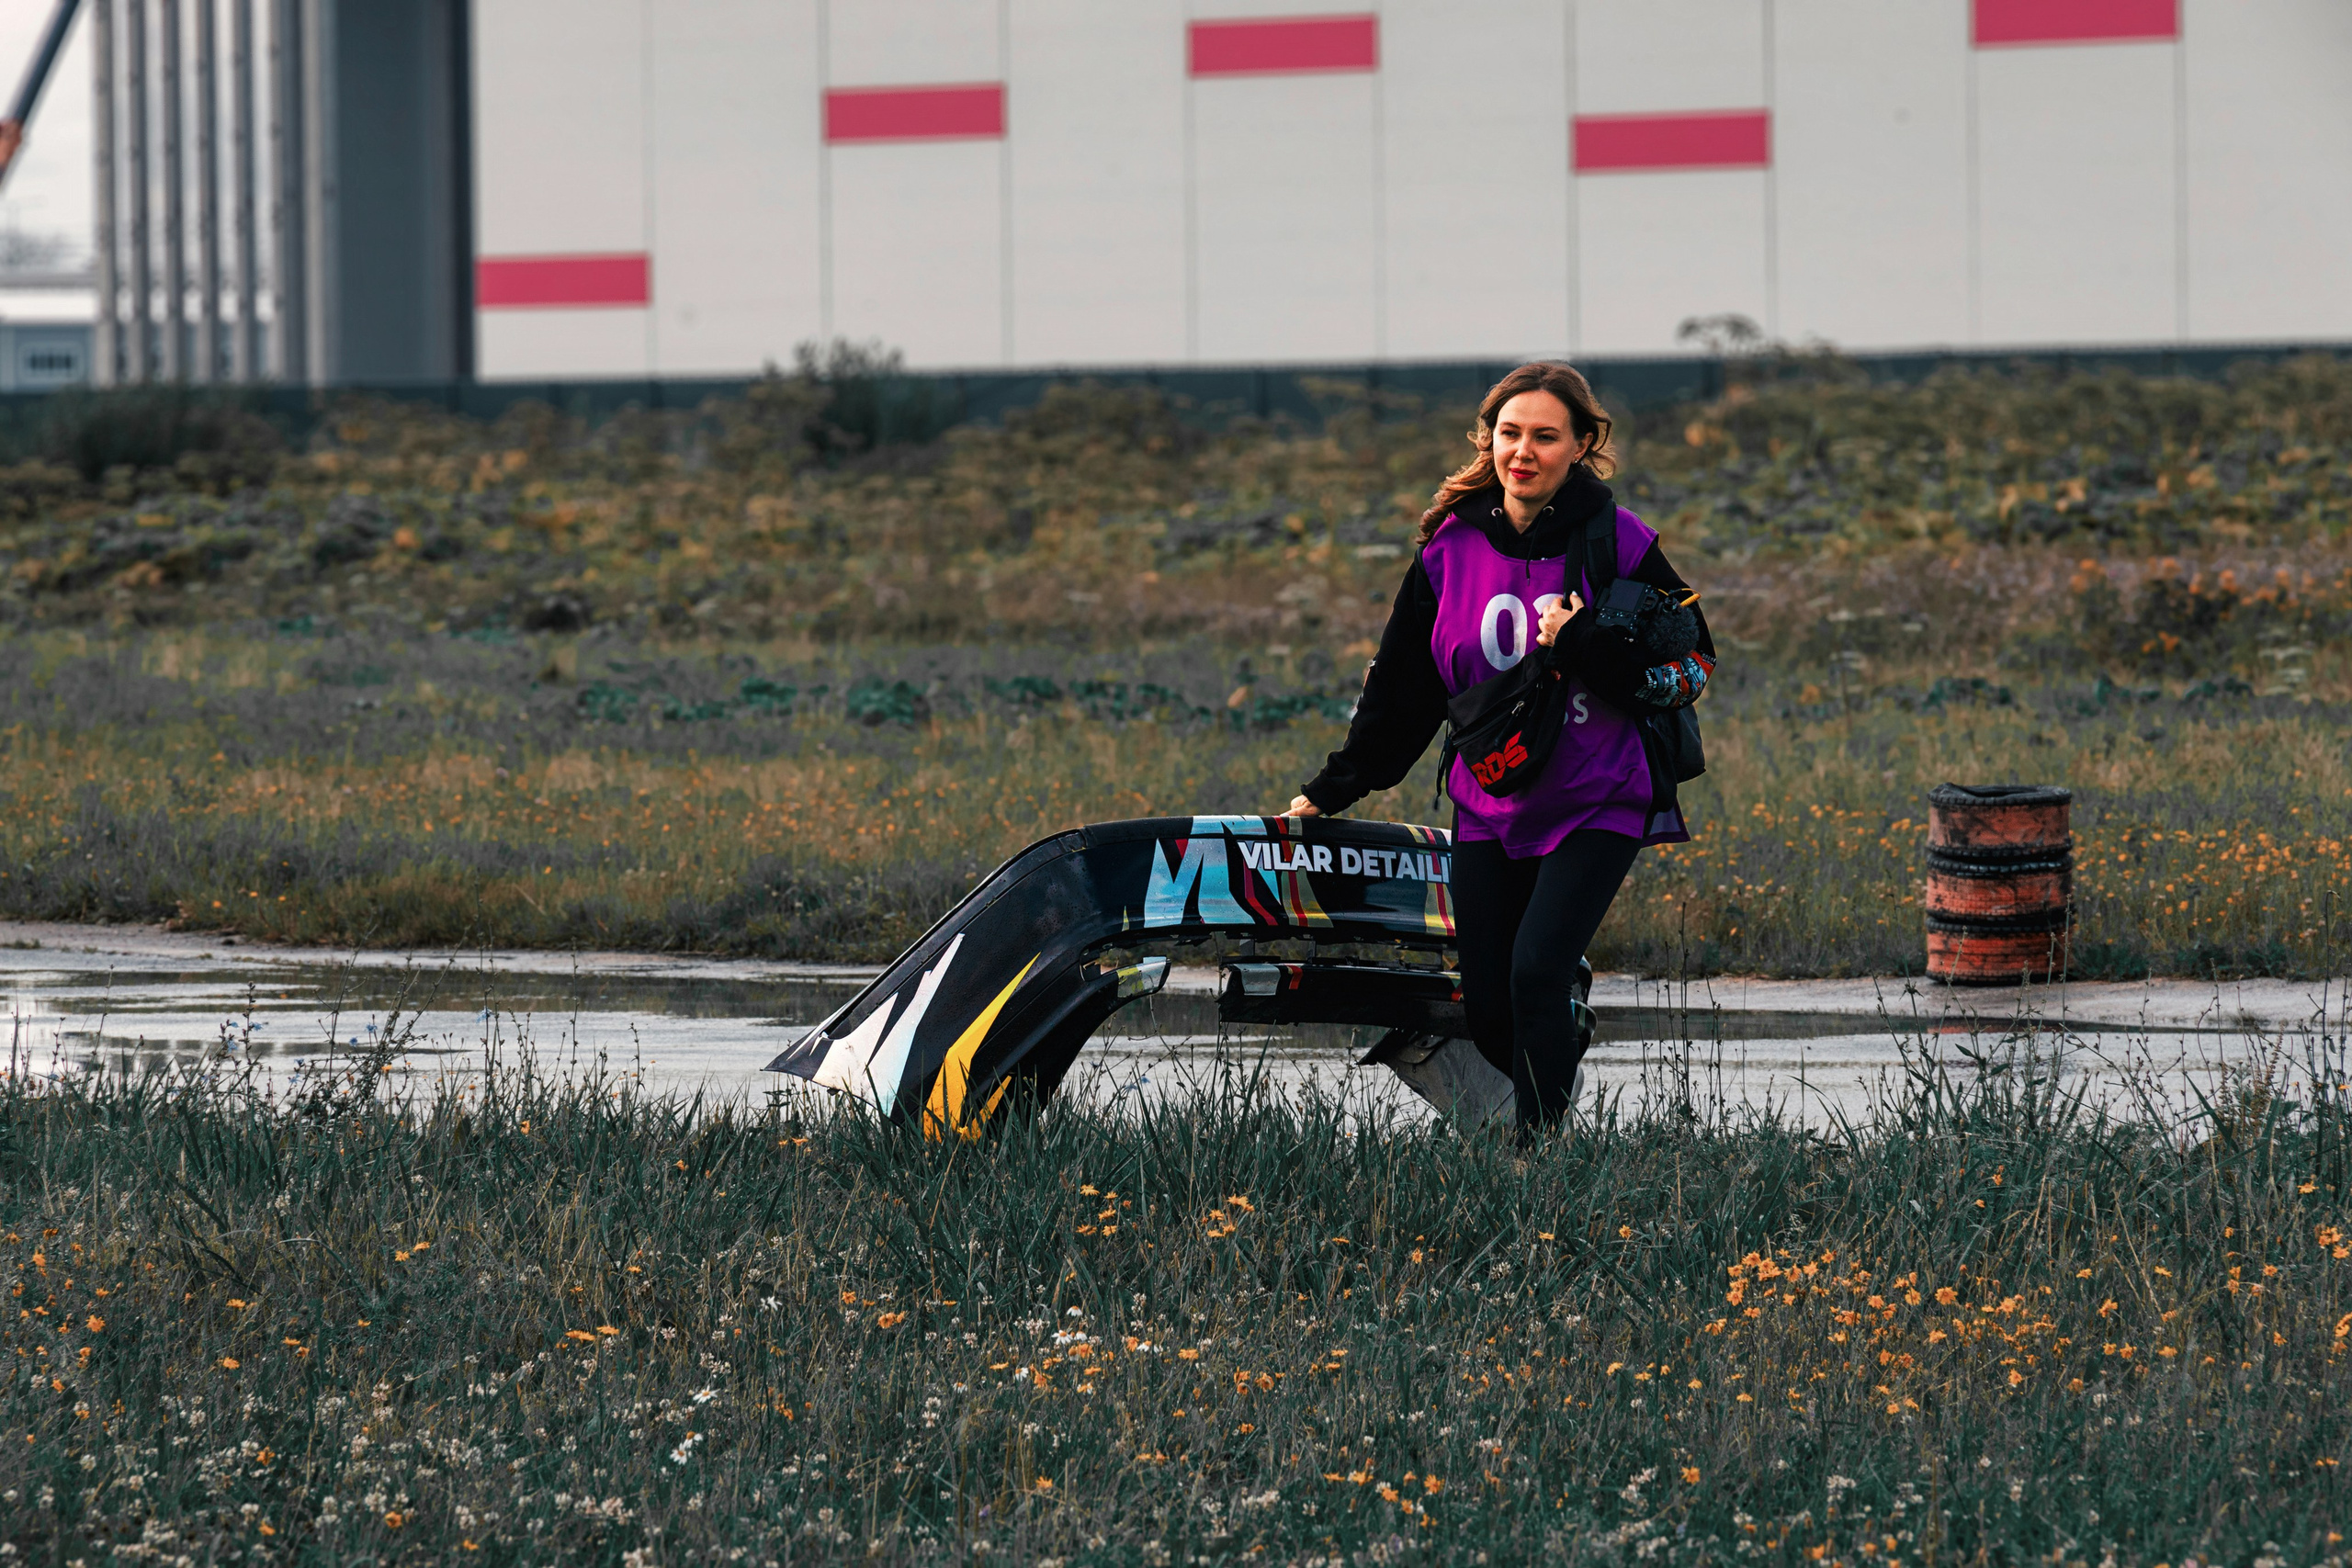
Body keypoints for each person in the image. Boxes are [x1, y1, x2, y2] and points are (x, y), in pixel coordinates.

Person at [1283, 362, 1713, 1136]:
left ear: (1581, 445)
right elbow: (1405, 687)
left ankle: (1538, 1158)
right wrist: (1340, 783)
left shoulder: (1618, 539)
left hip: (1598, 793)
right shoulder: (1450, 547)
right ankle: (1554, 1054)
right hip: (1491, 796)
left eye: (1546, 436)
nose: (1524, 451)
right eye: (1509, 433)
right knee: (1488, 1006)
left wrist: (1585, 643)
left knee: (1536, 972)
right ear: (1489, 440)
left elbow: (1693, 665)